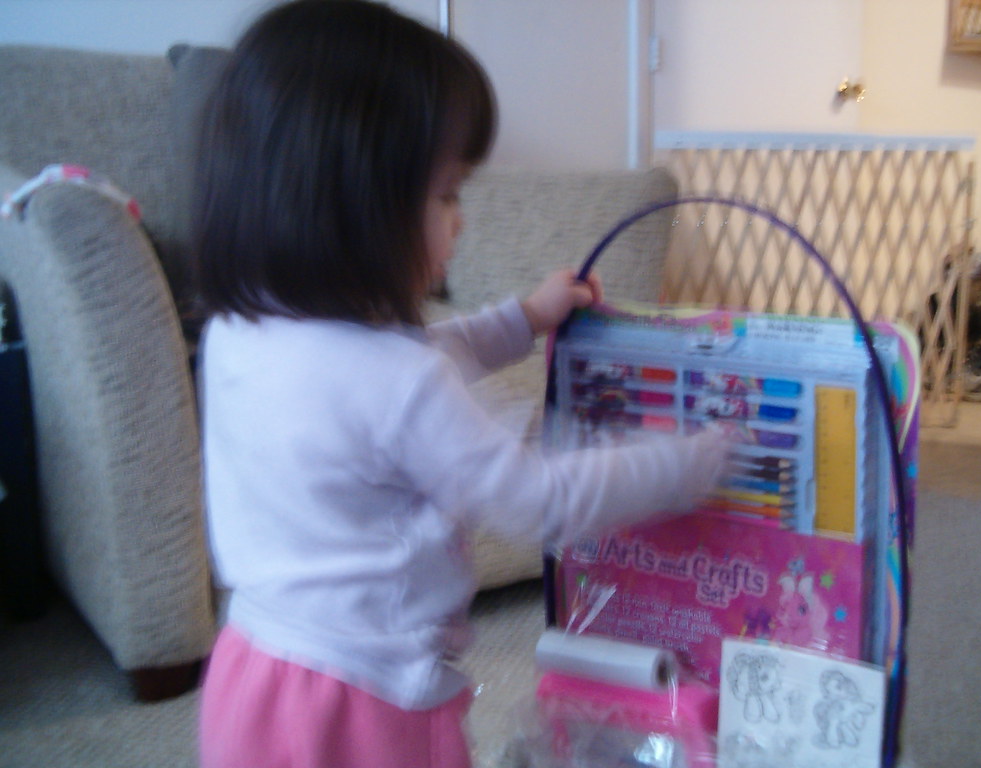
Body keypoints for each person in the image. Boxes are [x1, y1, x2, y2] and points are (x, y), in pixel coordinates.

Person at [192, 2, 728, 766]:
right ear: (356, 205)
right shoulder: (396, 380)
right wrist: (687, 462)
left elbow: (407, 362)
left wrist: (525, 319)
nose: (460, 221)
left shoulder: (239, 332)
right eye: (446, 194)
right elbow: (536, 498)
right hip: (366, 700)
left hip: (255, 671)